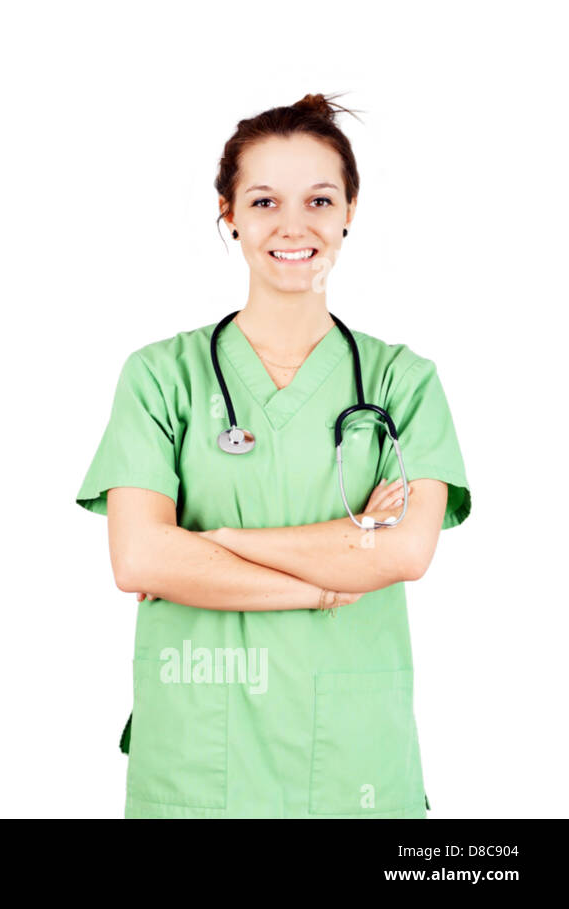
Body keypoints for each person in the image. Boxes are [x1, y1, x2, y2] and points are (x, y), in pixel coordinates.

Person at [75, 93, 470, 818]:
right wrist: (322, 579)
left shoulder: (401, 383)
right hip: (199, 760)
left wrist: (214, 544)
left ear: (351, 208)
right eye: (264, 201)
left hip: (355, 766)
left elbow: (405, 552)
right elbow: (139, 561)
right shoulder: (163, 377)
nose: (294, 226)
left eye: (319, 199)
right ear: (228, 212)